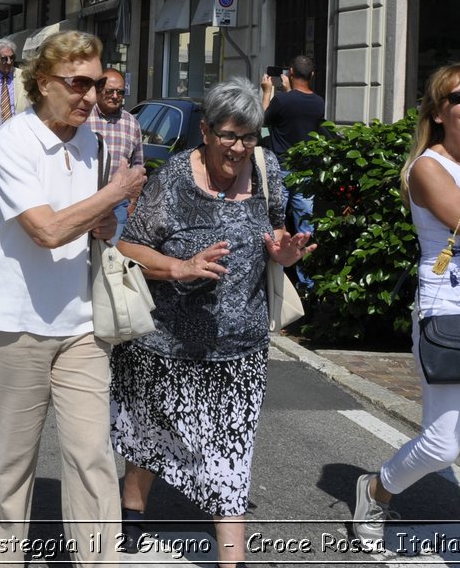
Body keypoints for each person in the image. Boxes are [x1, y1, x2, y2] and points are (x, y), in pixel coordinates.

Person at [111, 77, 311, 565]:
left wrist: (283, 253)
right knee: (149, 435)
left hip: (239, 346)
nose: (239, 147)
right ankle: (132, 509)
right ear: (205, 131)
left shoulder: (267, 172)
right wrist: (179, 266)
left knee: (230, 458)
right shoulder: (174, 179)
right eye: (229, 135)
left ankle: (232, 560)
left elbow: (275, 231)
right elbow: (129, 244)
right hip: (166, 343)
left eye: (248, 137)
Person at [0, 29, 146, 568]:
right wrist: (112, 195)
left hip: (81, 325)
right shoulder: (12, 142)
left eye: (97, 84)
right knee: (9, 466)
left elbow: (95, 222)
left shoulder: (90, 142)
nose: (91, 97)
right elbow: (45, 231)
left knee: (92, 456)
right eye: (78, 84)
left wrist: (107, 216)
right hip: (15, 325)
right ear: (43, 82)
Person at [352, 63, 460, 565]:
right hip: (448, 314)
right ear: (438, 111)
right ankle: (378, 490)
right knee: (443, 444)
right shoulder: (428, 169)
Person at [261, 56, 326, 285]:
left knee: (275, 223)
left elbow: (262, 120)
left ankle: (271, 278)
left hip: (280, 169)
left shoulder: (281, 101)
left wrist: (267, 92)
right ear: (313, 75)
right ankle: (307, 283)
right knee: (305, 228)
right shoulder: (319, 103)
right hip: (305, 173)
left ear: (289, 72)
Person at [88, 67, 143, 239]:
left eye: (120, 92)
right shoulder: (83, 117)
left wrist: (132, 204)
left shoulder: (131, 123)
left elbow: (138, 166)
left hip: (118, 206)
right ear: (98, 90)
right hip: (85, 200)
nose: (115, 96)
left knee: (110, 261)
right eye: (110, 91)